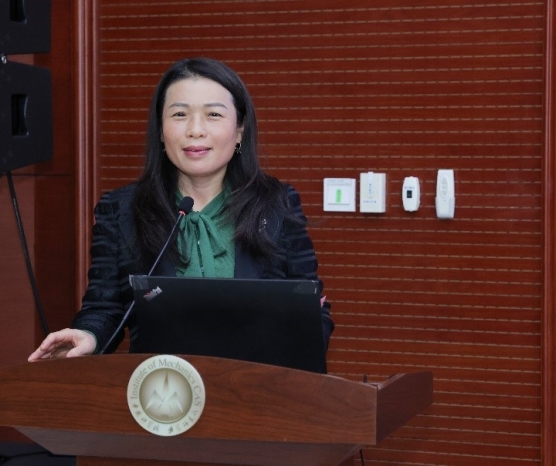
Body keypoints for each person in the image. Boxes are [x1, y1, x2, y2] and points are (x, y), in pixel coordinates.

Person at [28, 57, 334, 361]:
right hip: (160, 386)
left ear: (240, 129)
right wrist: (89, 335)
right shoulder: (122, 210)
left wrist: (301, 332)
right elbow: (105, 309)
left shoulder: (276, 204)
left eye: (213, 114)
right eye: (179, 115)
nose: (195, 130)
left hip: (253, 384)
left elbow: (313, 310)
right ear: (161, 131)